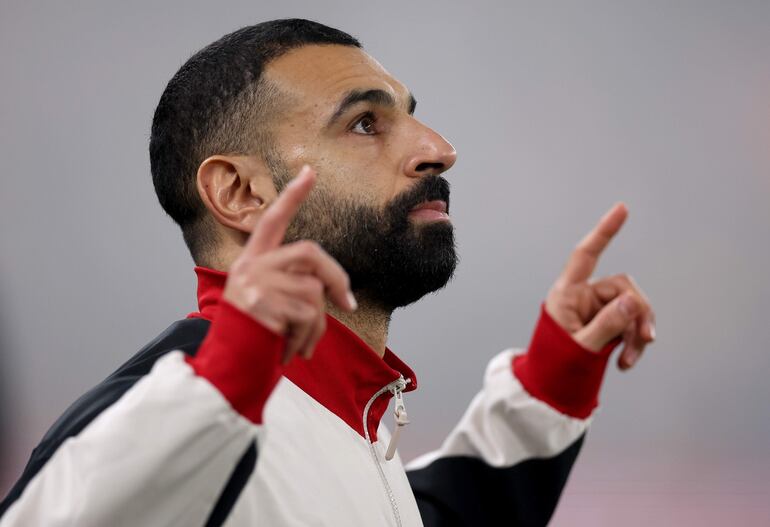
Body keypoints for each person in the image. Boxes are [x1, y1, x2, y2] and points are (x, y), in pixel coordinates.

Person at [0, 18, 656, 527]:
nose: (439, 149)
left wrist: (554, 377)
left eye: (410, 114)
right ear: (240, 192)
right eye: (365, 122)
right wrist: (230, 374)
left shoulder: (344, 418)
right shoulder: (178, 403)